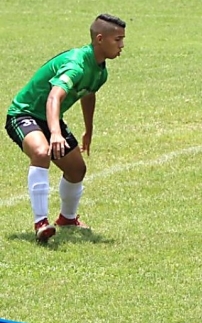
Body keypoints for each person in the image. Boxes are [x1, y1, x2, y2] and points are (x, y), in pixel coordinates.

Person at [4, 14, 126, 243]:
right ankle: (41, 222)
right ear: (100, 39)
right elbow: (53, 98)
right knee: (41, 153)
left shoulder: (101, 71)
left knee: (77, 170)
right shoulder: (76, 64)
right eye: (117, 39)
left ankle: (67, 218)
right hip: (24, 114)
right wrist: (56, 133)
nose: (122, 46)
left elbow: (88, 94)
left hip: (50, 118)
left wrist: (88, 130)